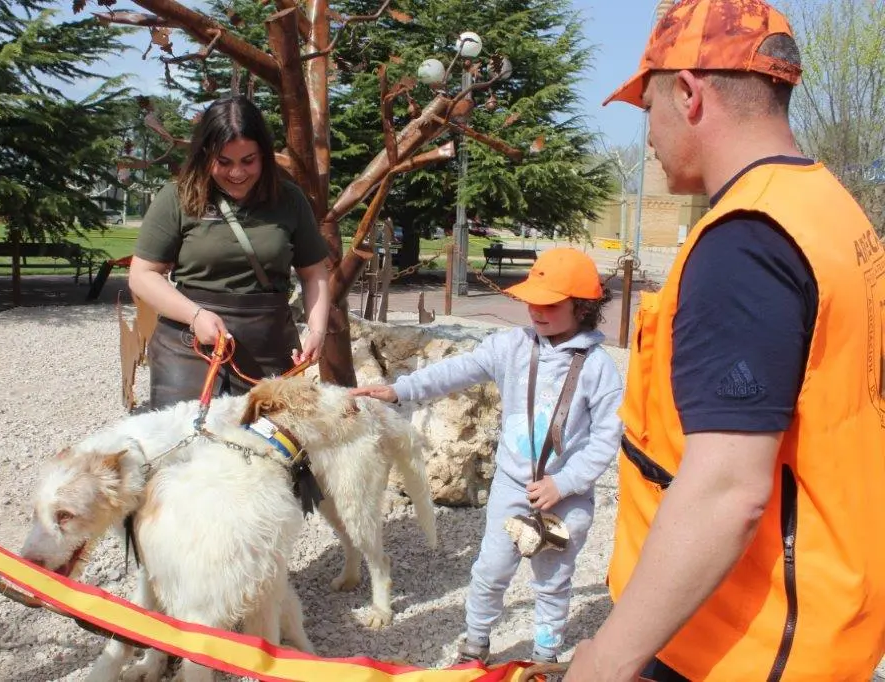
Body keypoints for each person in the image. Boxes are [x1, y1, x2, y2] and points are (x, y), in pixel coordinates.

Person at [564, 1, 885, 680]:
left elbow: (727, 490)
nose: (649, 133)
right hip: (823, 620)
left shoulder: (745, 241)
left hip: (743, 647)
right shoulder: (827, 206)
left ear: (688, 93)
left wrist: (610, 660)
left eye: (647, 105)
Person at [351, 248, 624, 665]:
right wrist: (399, 390)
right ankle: (475, 643)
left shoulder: (599, 368)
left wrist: (565, 483)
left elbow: (607, 436)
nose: (537, 310)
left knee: (553, 581)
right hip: (512, 487)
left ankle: (545, 656)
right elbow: (456, 370)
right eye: (532, 301)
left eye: (551, 304)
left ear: (582, 307)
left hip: (566, 497)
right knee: (491, 570)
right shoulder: (511, 346)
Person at [129, 96, 331, 407]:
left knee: (271, 437)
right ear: (205, 155)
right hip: (189, 345)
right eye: (223, 162)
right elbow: (142, 275)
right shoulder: (177, 198)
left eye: (248, 160)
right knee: (188, 435)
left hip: (270, 346)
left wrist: (317, 330)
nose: (237, 173)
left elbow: (314, 271)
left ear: (264, 155)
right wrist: (195, 316)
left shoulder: (289, 200)